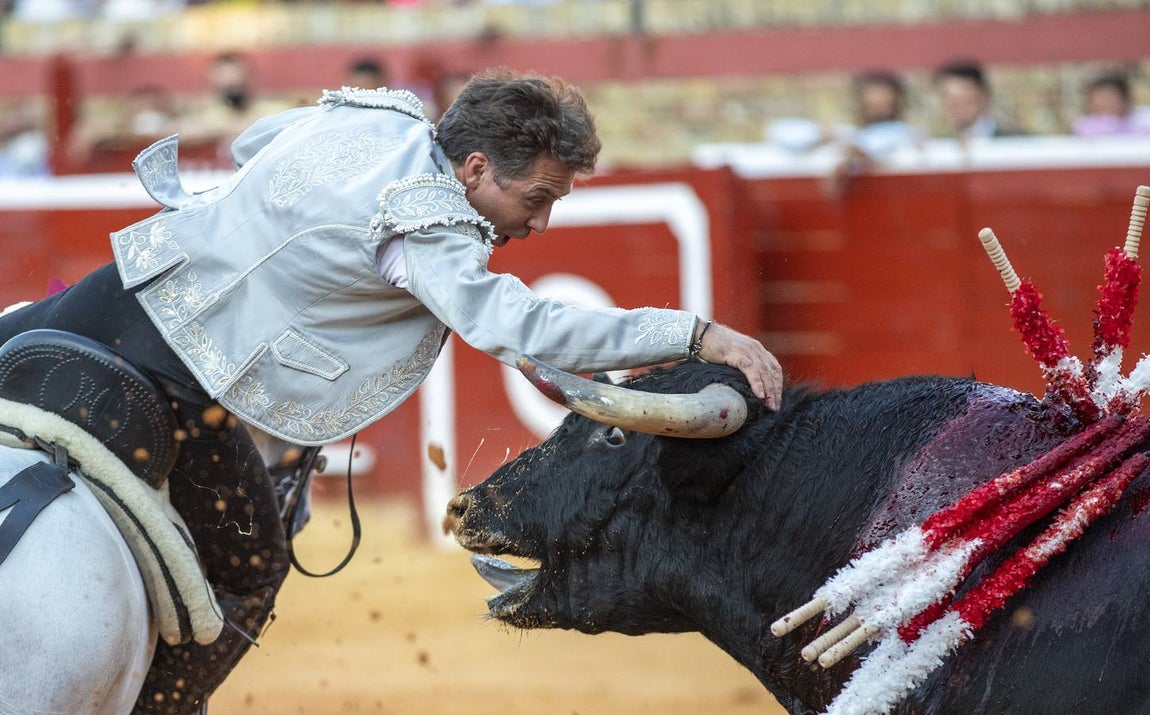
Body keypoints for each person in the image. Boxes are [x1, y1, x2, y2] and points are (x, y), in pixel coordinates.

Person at [0, 68, 782, 713]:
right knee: (251, 571)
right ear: (475, 168)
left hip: (108, 297)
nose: (538, 223)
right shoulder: (425, 227)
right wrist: (694, 334)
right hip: (186, 385)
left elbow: (254, 140)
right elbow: (521, 324)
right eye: (536, 199)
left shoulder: (379, 116)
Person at [825, 69, 924, 196]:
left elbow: (903, 168)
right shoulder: (851, 135)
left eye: (884, 105)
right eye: (871, 106)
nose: (877, 109)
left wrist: (860, 159)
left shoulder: (908, 135)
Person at [933, 59, 1026, 142]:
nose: (956, 104)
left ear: (983, 96)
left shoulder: (1016, 141)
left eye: (964, 95)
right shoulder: (939, 144)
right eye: (948, 96)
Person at [1072, 72, 1150, 138]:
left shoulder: (1144, 122)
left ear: (1127, 101)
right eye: (1097, 100)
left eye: (1108, 99)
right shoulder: (1084, 127)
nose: (1103, 105)